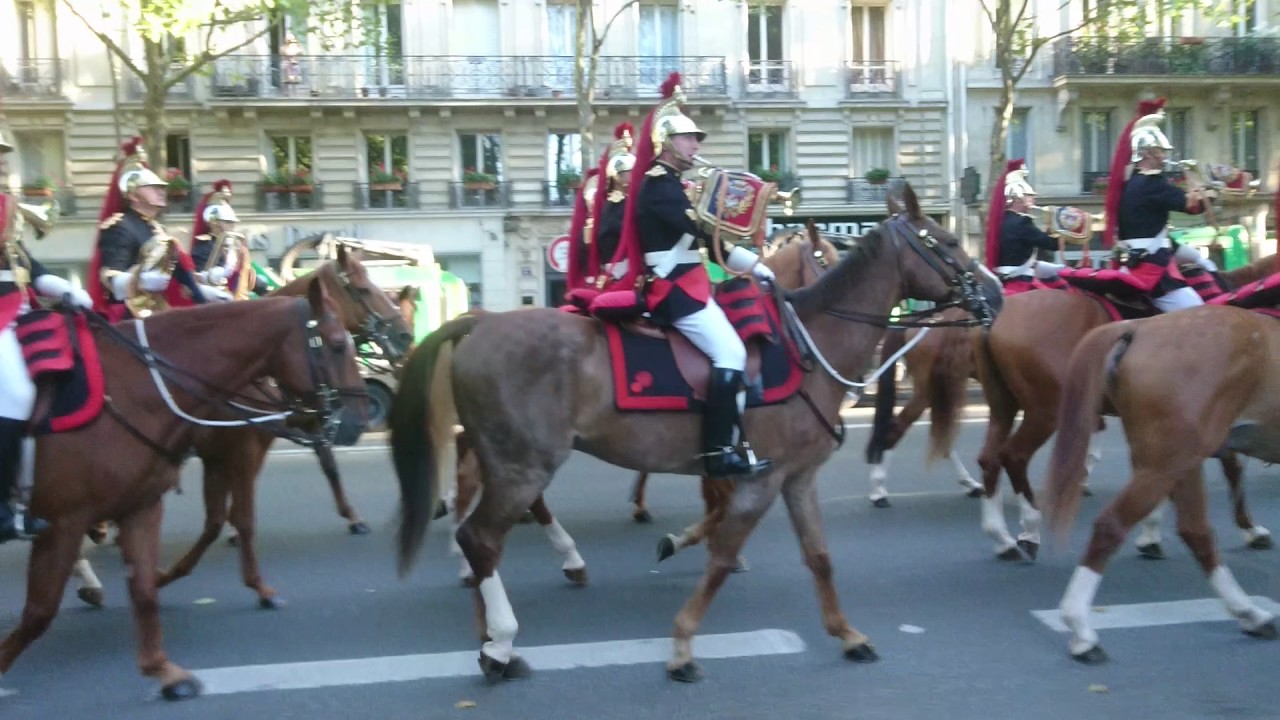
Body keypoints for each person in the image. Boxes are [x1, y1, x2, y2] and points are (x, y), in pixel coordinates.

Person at [612, 72, 775, 478]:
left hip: (689, 283)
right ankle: (719, 453)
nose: (697, 145)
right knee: (732, 354)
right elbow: (703, 231)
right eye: (689, 139)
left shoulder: (672, 184)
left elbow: (704, 242)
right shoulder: (659, 186)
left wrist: (755, 265)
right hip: (675, 290)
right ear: (668, 144)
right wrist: (743, 227)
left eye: (696, 139)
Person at [0, 129, 94, 542]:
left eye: (4, 155)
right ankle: (2, 507)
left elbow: (30, 270)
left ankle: (39, 493)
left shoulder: (6, 213)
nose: (3, 162)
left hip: (18, 315)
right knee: (18, 396)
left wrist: (67, 289)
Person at [1035, 109, 1214, 313]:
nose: (1165, 156)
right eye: (1161, 151)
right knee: (1198, 313)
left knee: (1201, 262)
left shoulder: (1130, 184)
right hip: (1152, 268)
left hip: (1133, 262)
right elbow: (1194, 207)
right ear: (1147, 153)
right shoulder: (1154, 184)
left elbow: (1156, 234)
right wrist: (1210, 186)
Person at [86, 137, 224, 322]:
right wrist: (139, 280)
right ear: (133, 195)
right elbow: (110, 277)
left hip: (160, 311)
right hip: (132, 317)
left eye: (160, 187)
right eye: (152, 188)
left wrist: (202, 292)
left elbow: (177, 274)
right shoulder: (120, 227)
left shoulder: (155, 228)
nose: (161, 191)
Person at [984, 160, 1059, 294]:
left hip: (1001, 280)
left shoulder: (1000, 221)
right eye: (1029, 196)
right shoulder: (1023, 222)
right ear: (1018, 198)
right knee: (1062, 291)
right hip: (1021, 279)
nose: (1033, 200)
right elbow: (1051, 244)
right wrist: (1067, 233)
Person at [191, 180, 263, 300]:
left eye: (232, 223)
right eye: (228, 222)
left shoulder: (232, 246)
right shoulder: (203, 247)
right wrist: (223, 272)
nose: (232, 226)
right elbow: (203, 279)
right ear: (215, 223)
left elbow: (244, 276)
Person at [594, 122, 636, 287]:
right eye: (630, 173)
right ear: (618, 177)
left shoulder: (625, 201)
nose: (635, 177)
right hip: (621, 271)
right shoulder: (616, 203)